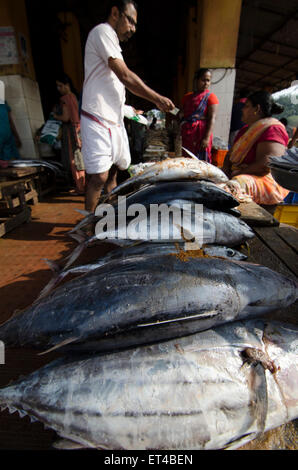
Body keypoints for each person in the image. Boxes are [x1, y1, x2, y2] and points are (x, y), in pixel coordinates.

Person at [80, 0, 175, 213]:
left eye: (135, 25)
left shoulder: (113, 42)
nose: (132, 29)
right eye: (130, 21)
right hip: (97, 117)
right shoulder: (102, 32)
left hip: (113, 119)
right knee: (99, 176)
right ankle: (87, 224)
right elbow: (124, 76)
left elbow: (113, 86)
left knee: (114, 172)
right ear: (115, 13)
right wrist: (156, 98)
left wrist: (128, 110)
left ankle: (110, 215)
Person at [222, 91, 290, 208]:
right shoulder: (245, 130)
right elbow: (230, 154)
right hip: (240, 172)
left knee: (235, 184)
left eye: (246, 106)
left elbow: (267, 165)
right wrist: (225, 169)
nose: (242, 110)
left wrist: (238, 173)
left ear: (257, 109)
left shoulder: (273, 129)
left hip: (265, 180)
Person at [53, 73, 85, 194]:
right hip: (80, 129)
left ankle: (81, 187)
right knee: (80, 157)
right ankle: (84, 185)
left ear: (67, 85)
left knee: (74, 159)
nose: (59, 89)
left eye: (60, 86)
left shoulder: (65, 99)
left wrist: (55, 116)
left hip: (71, 131)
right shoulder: (75, 97)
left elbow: (66, 117)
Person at [180, 68, 219, 163]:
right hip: (188, 134)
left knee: (201, 160)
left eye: (208, 80)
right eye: (203, 80)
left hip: (201, 133)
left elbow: (212, 118)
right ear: (196, 80)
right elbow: (182, 113)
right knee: (187, 157)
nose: (206, 83)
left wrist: (206, 138)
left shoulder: (211, 97)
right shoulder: (187, 97)